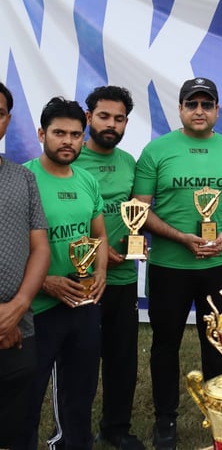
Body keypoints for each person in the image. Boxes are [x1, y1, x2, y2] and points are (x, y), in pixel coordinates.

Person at [133, 77, 222, 450]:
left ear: (217, 110)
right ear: (181, 109)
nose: (199, 111)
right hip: (169, 266)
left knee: (218, 344)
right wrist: (180, 237)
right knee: (165, 344)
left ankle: (220, 412)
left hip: (218, 265)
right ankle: (165, 419)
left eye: (206, 104)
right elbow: (139, 210)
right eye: (192, 104)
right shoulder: (157, 150)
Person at [19, 97, 109, 450]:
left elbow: (98, 235)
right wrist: (43, 282)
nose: (68, 141)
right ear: (42, 134)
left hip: (83, 305)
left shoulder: (87, 181)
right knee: (27, 397)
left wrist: (100, 272)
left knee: (80, 392)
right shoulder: (21, 180)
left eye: (75, 134)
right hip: (35, 309)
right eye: (59, 133)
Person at [77, 86, 145, 450]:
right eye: (104, 116)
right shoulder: (71, 159)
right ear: (89, 117)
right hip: (81, 278)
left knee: (122, 358)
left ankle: (116, 427)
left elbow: (137, 212)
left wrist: (137, 241)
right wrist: (99, 252)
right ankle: (76, 430)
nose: (111, 124)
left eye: (119, 119)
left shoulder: (129, 162)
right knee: (81, 359)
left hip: (123, 277)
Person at [0, 83, 50, 449]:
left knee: (17, 428)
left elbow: (40, 249)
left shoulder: (24, 179)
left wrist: (16, 309)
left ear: (7, 121)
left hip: (20, 327)